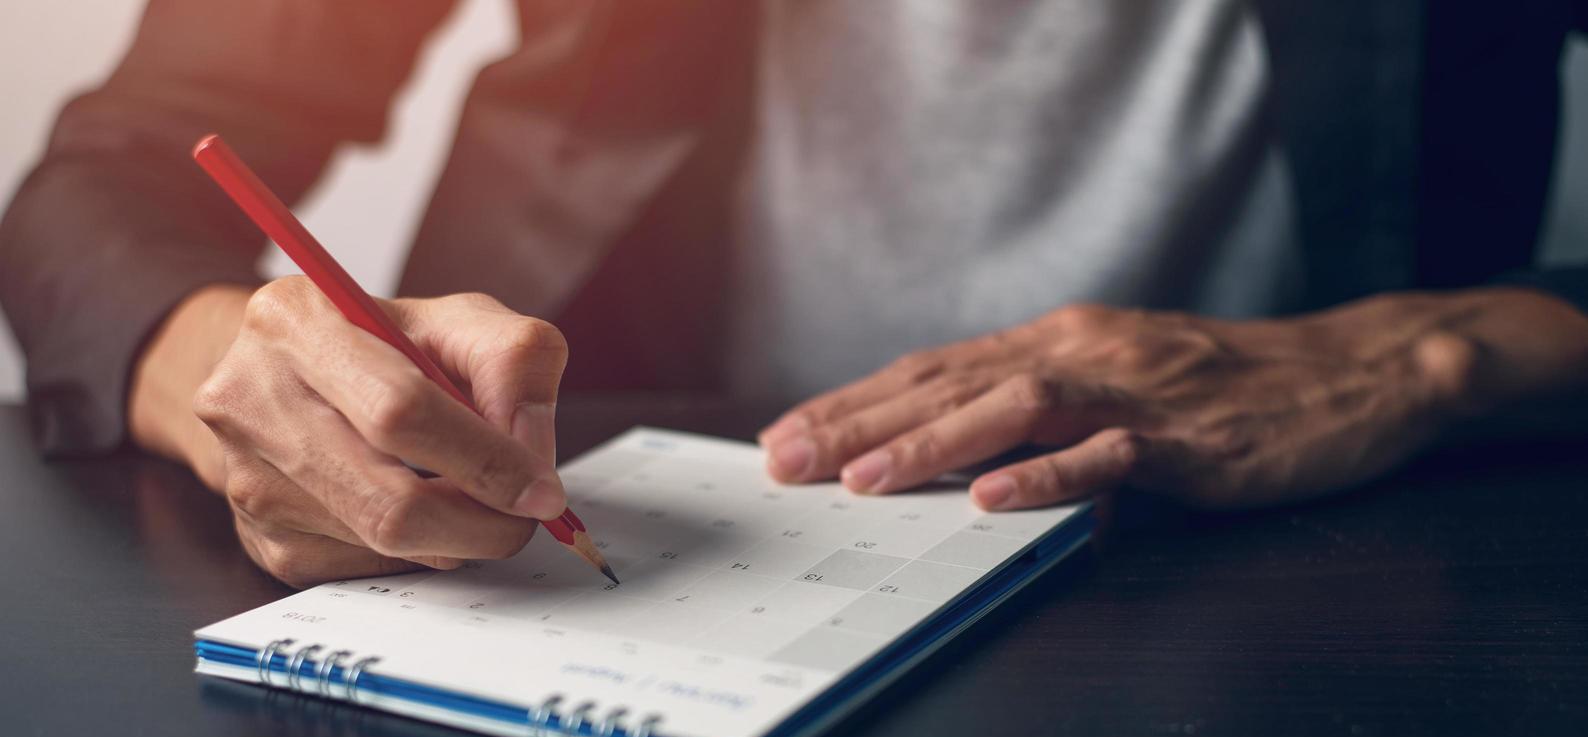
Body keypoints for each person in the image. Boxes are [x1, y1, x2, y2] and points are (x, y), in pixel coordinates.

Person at [3, 0, 1587, 587]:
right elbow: (107, 173)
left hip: (1281, 592)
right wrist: (238, 380)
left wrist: (1445, 352)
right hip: (622, 559)